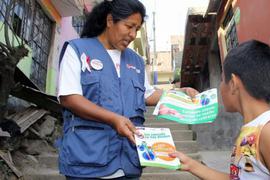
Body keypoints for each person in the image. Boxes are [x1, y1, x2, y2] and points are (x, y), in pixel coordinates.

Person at [56, 0, 198, 179]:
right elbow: (69, 97)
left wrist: (180, 93)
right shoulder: (77, 49)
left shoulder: (136, 61)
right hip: (88, 160)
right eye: (129, 26)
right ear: (110, 21)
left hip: (128, 162)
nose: (132, 35)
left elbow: (148, 94)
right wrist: (113, 119)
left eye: (137, 30)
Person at [170, 40, 270, 180]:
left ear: (233, 83)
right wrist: (192, 165)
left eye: (222, 80)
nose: (221, 87)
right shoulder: (253, 128)